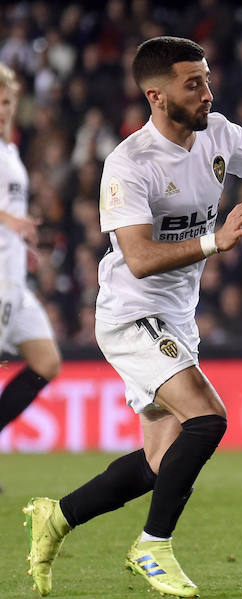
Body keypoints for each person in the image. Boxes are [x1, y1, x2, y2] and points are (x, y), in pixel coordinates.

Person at [22, 36, 242, 598]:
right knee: (208, 418)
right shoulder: (128, 164)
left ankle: (57, 516)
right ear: (156, 95)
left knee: (159, 462)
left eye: (206, 78)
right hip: (133, 313)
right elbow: (139, 257)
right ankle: (153, 547)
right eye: (193, 83)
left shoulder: (219, 133)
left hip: (175, 319)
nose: (207, 92)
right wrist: (215, 242)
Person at [0, 62, 63, 489]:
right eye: (1, 101)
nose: (6, 109)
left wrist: (23, 243)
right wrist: (11, 221)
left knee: (46, 362)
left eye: (10, 102)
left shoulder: (9, 149)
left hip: (13, 279)